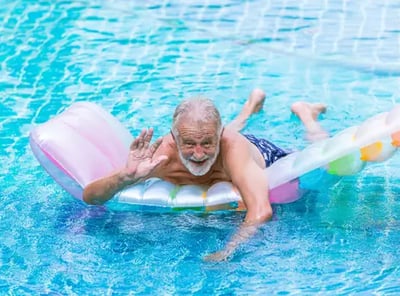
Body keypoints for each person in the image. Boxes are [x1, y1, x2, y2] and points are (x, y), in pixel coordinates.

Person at [83, 88, 327, 261]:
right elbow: (90, 196)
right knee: (211, 137)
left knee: (319, 150)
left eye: (207, 143)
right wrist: (126, 176)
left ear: (219, 136)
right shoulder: (161, 156)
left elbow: (261, 211)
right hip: (222, 139)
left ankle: (307, 114)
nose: (198, 154)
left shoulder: (232, 148)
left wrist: (228, 250)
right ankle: (249, 108)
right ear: (175, 137)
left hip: (258, 152)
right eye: (189, 144)